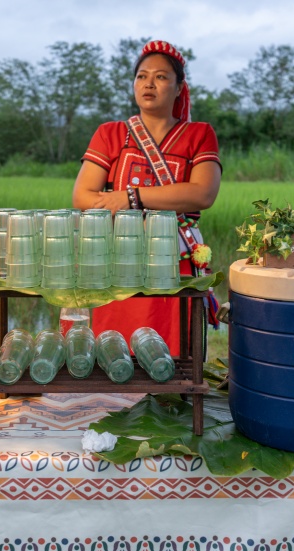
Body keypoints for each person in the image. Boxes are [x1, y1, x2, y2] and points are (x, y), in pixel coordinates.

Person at [72, 39, 221, 354]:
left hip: (176, 260)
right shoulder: (110, 133)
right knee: (116, 351)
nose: (149, 83)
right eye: (142, 76)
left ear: (180, 87)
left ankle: (172, 398)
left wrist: (130, 197)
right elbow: (83, 196)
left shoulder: (199, 134)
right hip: (119, 258)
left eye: (161, 76)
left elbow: (203, 193)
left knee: (172, 350)